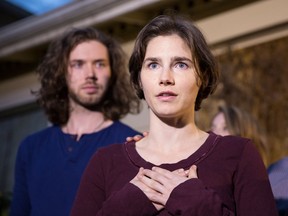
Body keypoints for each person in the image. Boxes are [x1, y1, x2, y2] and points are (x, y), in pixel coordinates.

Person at [71, 14, 277, 215]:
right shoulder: (106, 162)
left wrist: (196, 203)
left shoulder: (239, 154)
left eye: (180, 64)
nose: (165, 78)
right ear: (139, 79)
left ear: (202, 77)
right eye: (153, 65)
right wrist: (129, 204)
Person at [9, 27, 141, 216]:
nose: (90, 74)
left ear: (112, 73)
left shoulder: (129, 145)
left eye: (100, 64)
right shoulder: (31, 148)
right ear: (61, 72)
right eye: (78, 64)